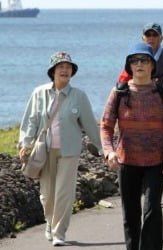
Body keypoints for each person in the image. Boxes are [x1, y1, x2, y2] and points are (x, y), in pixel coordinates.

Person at [18, 52, 103, 246]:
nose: (65, 70)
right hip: (44, 151)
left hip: (69, 151)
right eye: (60, 67)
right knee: (47, 195)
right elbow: (30, 121)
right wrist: (25, 144)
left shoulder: (79, 96)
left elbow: (90, 124)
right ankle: (49, 222)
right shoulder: (39, 93)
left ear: (72, 72)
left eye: (68, 67)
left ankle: (59, 233)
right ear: (53, 71)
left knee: (64, 193)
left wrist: (102, 148)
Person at [101, 42, 163, 250]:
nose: (140, 64)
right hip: (127, 161)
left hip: (157, 161)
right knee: (131, 213)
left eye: (144, 60)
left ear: (152, 65)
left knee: (152, 209)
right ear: (129, 66)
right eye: (135, 61)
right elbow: (106, 125)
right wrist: (109, 152)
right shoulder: (119, 93)